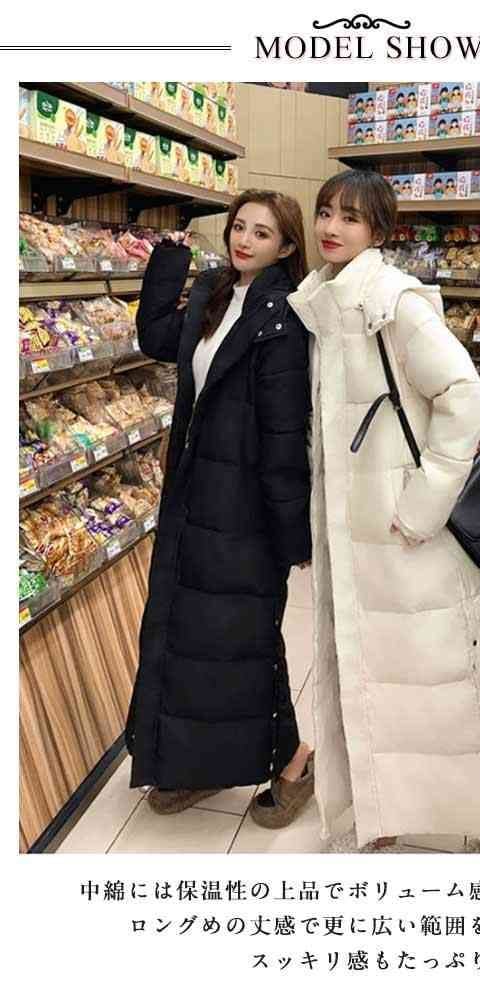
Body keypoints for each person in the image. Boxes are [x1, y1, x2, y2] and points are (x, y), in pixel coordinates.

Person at [288, 169, 480, 853]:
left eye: (351, 217)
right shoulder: (322, 302)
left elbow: (462, 394)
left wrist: (422, 504)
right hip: (355, 530)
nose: (331, 227)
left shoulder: (393, 302)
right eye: (325, 212)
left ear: (379, 231)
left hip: (409, 531)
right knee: (370, 679)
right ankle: (380, 810)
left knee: (449, 674)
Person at [126, 189, 315, 825]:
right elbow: (157, 337)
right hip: (192, 497)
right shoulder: (213, 292)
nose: (244, 240)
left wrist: (290, 534)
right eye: (239, 227)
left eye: (262, 233)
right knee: (190, 636)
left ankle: (293, 759)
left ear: (285, 247)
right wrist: (168, 259)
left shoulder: (283, 317)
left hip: (245, 512)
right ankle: (198, 765)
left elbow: (283, 435)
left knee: (244, 637)